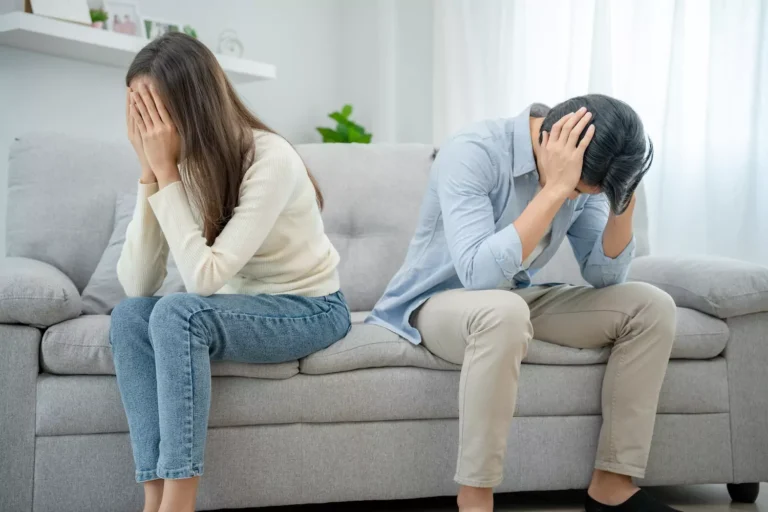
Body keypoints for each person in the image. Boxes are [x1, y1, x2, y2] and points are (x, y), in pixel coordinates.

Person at [367, 95, 679, 512]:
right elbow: (479, 274)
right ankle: (475, 498)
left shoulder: (584, 170)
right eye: (582, 191)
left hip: (510, 298)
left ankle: (612, 487)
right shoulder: (473, 152)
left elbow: (604, 276)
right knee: (503, 311)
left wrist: (620, 203)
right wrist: (554, 190)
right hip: (434, 301)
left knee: (651, 305)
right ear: (553, 142)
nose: (577, 199)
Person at [110, 32, 351, 512]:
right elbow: (138, 285)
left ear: (192, 105)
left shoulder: (270, 158)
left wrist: (167, 173)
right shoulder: (183, 164)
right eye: (139, 114)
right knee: (129, 316)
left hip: (311, 308)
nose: (148, 128)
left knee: (179, 314)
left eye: (153, 113)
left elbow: (204, 279)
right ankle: (153, 497)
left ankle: (180, 503)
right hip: (244, 308)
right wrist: (149, 173)